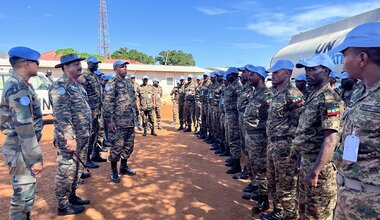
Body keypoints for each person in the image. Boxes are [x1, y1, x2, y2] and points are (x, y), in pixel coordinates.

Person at [329, 22, 380, 220]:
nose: (342, 63)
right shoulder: (361, 91)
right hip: (348, 198)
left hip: (372, 206)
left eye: (344, 56)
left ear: (362, 58)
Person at [294, 53, 344, 219]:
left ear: (326, 72)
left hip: (320, 168)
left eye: (313, 69)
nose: (308, 73)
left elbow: (330, 140)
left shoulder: (330, 99)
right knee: (304, 210)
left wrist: (315, 172)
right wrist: (300, 160)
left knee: (318, 214)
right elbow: (307, 133)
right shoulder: (312, 96)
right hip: (307, 162)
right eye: (307, 69)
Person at [0, 46, 44, 219]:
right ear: (26, 63)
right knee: (22, 197)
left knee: (27, 194)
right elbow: (24, 126)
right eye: (36, 62)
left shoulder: (21, 84)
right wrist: (35, 158)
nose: (38, 65)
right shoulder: (17, 86)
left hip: (21, 148)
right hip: (20, 149)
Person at [50, 54, 91, 215]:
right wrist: (69, 137)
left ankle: (72, 196)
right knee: (66, 170)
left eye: (79, 63)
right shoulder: (60, 86)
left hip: (83, 136)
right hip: (70, 139)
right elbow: (62, 115)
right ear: (65, 67)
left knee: (77, 169)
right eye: (75, 64)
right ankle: (62, 204)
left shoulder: (77, 85)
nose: (79, 66)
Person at [263, 60, 304, 220]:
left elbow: (302, 123)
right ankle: (278, 211)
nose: (272, 76)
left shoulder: (293, 94)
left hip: (286, 147)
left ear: (287, 73)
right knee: (272, 181)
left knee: (286, 185)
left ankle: (290, 216)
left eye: (276, 72)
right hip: (272, 143)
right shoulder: (275, 92)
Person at [242, 66, 272, 216]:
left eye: (252, 75)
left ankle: (264, 199)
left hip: (259, 137)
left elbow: (270, 118)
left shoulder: (267, 95)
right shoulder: (255, 93)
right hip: (250, 135)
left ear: (259, 77)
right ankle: (257, 191)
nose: (249, 77)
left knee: (261, 169)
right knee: (252, 165)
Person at [103, 60, 138, 183]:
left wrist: (136, 118)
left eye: (125, 66)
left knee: (129, 146)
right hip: (118, 122)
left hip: (129, 121)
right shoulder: (112, 83)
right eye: (122, 66)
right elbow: (107, 103)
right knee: (117, 147)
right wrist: (110, 120)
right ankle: (114, 170)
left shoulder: (128, 82)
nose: (125, 68)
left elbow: (133, 101)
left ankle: (123, 166)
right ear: (116, 69)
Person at [82, 56, 106, 168]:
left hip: (97, 110)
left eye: (97, 64)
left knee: (97, 132)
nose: (97, 65)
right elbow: (83, 93)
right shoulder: (85, 75)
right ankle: (86, 159)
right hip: (90, 111)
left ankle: (95, 154)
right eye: (95, 63)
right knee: (90, 135)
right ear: (89, 63)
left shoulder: (95, 76)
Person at [234, 64, 255, 180]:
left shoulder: (252, 88)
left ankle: (248, 171)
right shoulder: (245, 87)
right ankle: (246, 168)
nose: (242, 74)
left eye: (244, 72)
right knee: (244, 145)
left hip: (250, 123)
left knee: (249, 147)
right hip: (242, 119)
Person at [223, 67, 243, 174]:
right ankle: (233, 158)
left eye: (229, 75)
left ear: (234, 75)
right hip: (229, 115)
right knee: (230, 137)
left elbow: (241, 102)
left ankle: (237, 165)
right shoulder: (231, 85)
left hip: (234, 116)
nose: (227, 77)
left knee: (234, 139)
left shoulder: (237, 86)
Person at [198, 72, 212, 139]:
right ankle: (203, 132)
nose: (204, 77)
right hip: (203, 103)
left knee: (207, 119)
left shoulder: (210, 84)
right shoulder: (203, 83)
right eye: (204, 76)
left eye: (206, 76)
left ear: (208, 77)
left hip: (207, 103)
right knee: (203, 118)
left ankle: (207, 134)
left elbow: (210, 93)